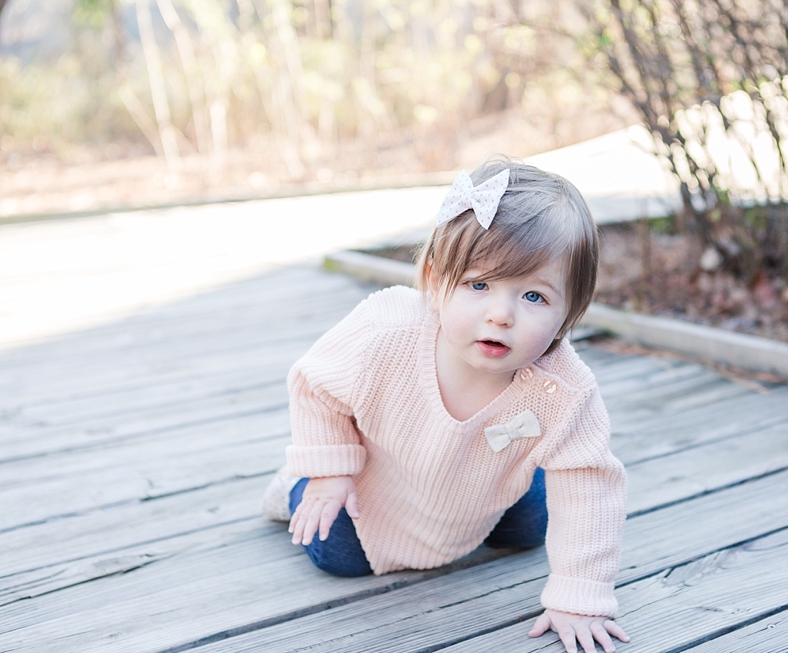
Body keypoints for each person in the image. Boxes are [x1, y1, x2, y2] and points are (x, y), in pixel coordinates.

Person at [261, 157, 629, 653]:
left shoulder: (563, 389)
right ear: (435, 281)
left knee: (535, 524)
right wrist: (328, 472)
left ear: (569, 315)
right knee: (336, 553)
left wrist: (580, 598)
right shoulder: (385, 331)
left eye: (535, 297)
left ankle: (520, 485)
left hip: (483, 494)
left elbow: (589, 484)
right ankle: (301, 484)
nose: (501, 315)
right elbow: (314, 385)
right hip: (379, 489)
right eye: (479, 285)